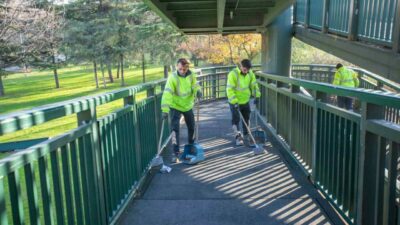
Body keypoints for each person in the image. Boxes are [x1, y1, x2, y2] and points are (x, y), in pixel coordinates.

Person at [161, 58, 202, 162]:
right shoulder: (172, 77)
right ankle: (176, 152)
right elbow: (167, 93)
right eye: (180, 69)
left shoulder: (191, 75)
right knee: (175, 129)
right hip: (176, 106)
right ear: (176, 67)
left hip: (188, 105)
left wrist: (198, 91)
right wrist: (165, 110)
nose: (182, 71)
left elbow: (195, 85)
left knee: (192, 126)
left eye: (184, 69)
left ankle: (191, 147)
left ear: (187, 67)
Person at [226, 59, 261, 146]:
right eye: (245, 69)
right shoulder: (233, 74)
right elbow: (229, 89)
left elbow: (254, 85)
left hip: (245, 100)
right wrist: (234, 101)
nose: (246, 72)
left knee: (246, 118)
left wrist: (256, 95)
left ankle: (246, 135)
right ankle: (238, 137)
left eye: (248, 70)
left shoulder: (250, 73)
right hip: (235, 101)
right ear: (240, 66)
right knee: (236, 119)